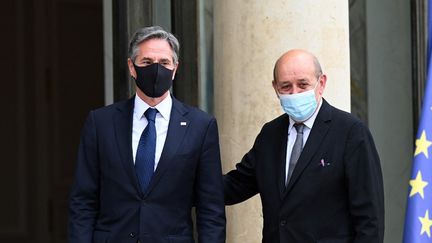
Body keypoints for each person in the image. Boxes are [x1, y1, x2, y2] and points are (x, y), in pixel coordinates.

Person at [68, 26, 226, 243]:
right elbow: (83, 201)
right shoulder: (101, 123)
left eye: (164, 63)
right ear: (132, 67)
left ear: (175, 68)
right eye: (147, 62)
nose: (156, 69)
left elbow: (211, 209)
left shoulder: (201, 126)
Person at [224, 49, 384, 243]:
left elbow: (369, 219)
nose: (295, 93)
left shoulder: (350, 132)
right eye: (286, 87)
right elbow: (236, 185)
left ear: (321, 83)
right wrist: (184, 184)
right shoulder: (270, 134)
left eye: (302, 84)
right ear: (275, 88)